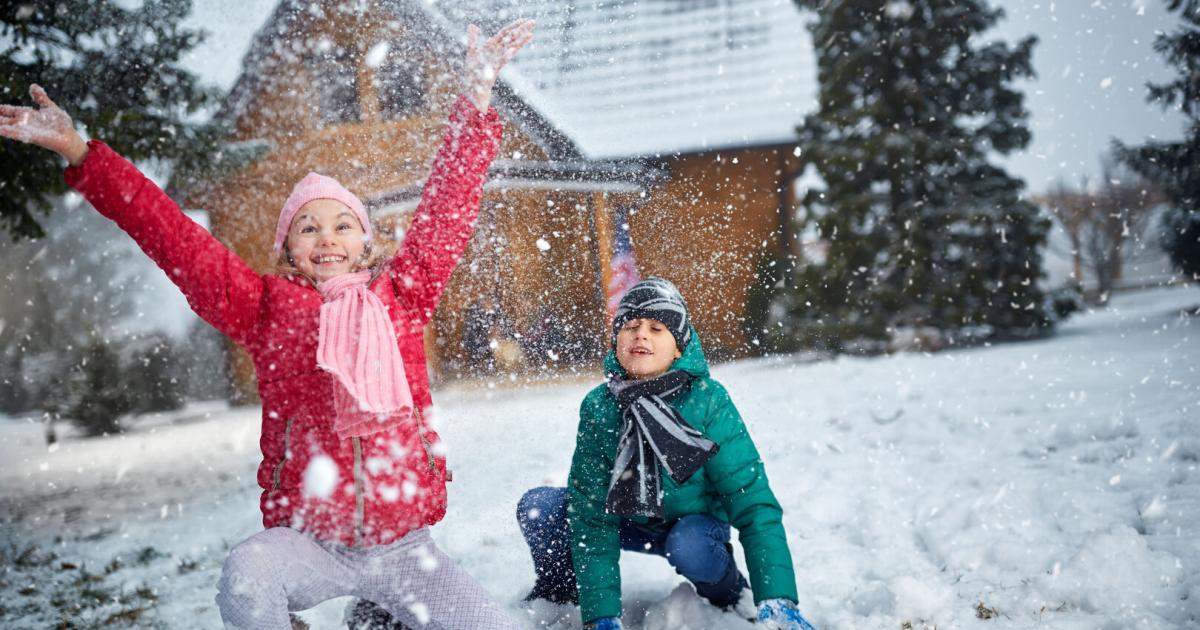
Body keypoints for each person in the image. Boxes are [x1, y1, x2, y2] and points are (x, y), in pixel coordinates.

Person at [0, 19, 535, 630]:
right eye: (308, 227)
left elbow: (447, 207)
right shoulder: (265, 308)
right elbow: (173, 235)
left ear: (366, 241)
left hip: (404, 548)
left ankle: (380, 612)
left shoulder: (401, 297)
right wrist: (80, 152)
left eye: (342, 225)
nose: (327, 237)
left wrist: (475, 97)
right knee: (247, 576)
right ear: (288, 250)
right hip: (312, 544)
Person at [516, 278, 818, 630]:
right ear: (617, 342)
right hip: (629, 519)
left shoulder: (707, 400)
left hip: (693, 525)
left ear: (678, 348)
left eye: (656, 327)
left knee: (689, 544)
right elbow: (592, 515)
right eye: (631, 326)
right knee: (542, 508)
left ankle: (730, 592)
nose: (641, 334)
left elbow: (752, 501)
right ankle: (565, 595)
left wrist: (777, 595)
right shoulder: (600, 407)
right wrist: (600, 616)